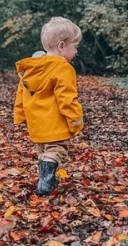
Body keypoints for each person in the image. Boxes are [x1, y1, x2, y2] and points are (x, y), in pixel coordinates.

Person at [13, 17, 84, 196]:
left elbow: (21, 93)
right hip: (55, 124)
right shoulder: (63, 68)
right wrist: (76, 120)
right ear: (61, 46)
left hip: (36, 125)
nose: (76, 51)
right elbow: (67, 98)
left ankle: (44, 181)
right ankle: (45, 181)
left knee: (43, 152)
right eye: (75, 46)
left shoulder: (32, 67)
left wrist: (19, 115)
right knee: (57, 150)